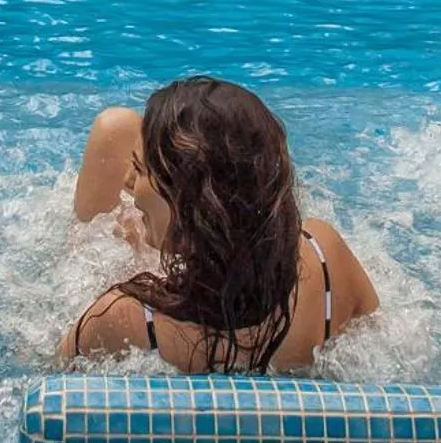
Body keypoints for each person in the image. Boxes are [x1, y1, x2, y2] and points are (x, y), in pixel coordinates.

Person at [61, 77, 378, 371]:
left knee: (113, 130)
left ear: (187, 206)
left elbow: (47, 383)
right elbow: (377, 338)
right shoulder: (324, 256)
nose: (130, 181)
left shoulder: (123, 320)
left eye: (142, 170)